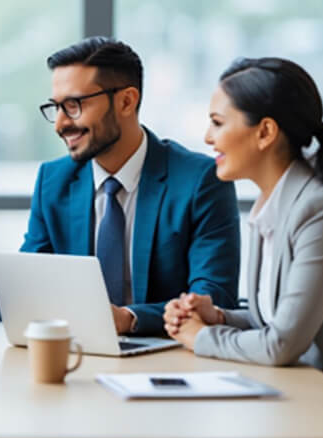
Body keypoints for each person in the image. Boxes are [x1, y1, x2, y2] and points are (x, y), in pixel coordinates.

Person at [164, 57, 323, 402]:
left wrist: (200, 337)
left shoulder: (320, 211)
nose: (208, 137)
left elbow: (282, 343)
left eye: (217, 123)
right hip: (300, 390)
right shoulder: (270, 204)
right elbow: (274, 319)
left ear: (265, 132)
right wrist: (217, 317)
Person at [22, 37, 241, 335]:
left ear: (126, 101)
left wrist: (130, 318)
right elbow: (27, 285)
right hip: (75, 351)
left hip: (170, 358)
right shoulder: (53, 180)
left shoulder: (199, 180)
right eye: (55, 107)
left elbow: (214, 298)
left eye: (73, 105)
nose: (60, 123)